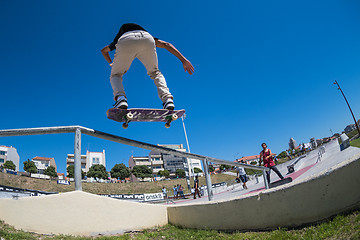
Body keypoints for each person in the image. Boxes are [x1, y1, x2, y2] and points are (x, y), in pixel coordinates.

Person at [101, 23, 194, 110]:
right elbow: (166, 44)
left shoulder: (121, 37)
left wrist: (111, 62)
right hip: (147, 39)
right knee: (155, 73)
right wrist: (183, 60)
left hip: (125, 40)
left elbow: (104, 51)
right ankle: (168, 100)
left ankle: (121, 99)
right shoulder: (146, 34)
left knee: (115, 75)